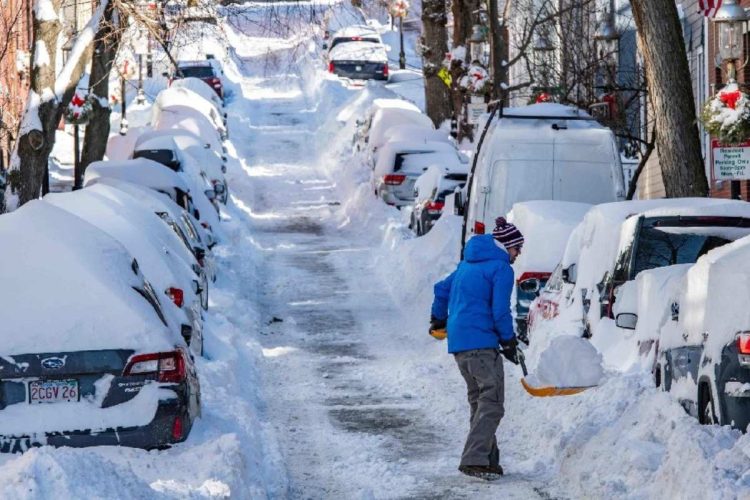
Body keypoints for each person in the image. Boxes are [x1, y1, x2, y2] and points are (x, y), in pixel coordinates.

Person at [430, 217, 524, 480]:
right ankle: (473, 459)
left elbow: (441, 290)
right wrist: (508, 339)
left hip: (460, 344)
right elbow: (499, 310)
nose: (519, 254)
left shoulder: (466, 265)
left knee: (480, 401)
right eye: (517, 248)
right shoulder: (501, 269)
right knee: (492, 403)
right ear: (506, 246)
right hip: (482, 343)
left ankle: (488, 459)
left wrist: (438, 319)